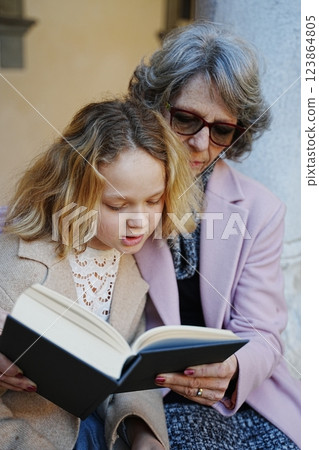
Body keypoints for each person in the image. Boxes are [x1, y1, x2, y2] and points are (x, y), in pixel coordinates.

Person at [129, 21, 301, 449]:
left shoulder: (260, 209)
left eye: (222, 129)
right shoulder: (117, 183)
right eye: (186, 119)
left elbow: (262, 331)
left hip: (240, 394)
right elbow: (26, 220)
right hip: (149, 393)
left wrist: (233, 370)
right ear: (156, 104)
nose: (202, 143)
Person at [0, 97, 200, 449]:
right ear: (75, 189)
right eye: (117, 205)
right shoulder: (17, 262)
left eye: (154, 200)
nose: (139, 220)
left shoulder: (134, 266)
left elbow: (131, 373)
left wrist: (144, 434)